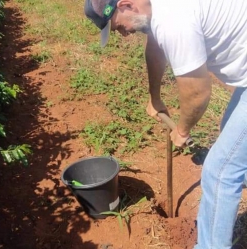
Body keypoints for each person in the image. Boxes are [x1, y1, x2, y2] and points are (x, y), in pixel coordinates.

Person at [84, 0, 247, 248]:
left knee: (220, 172)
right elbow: (155, 48)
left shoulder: (173, 21)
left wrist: (182, 130)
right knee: (233, 144)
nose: (124, 34)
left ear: (126, 5)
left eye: (119, 26)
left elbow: (197, 92)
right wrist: (155, 97)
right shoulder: (159, 9)